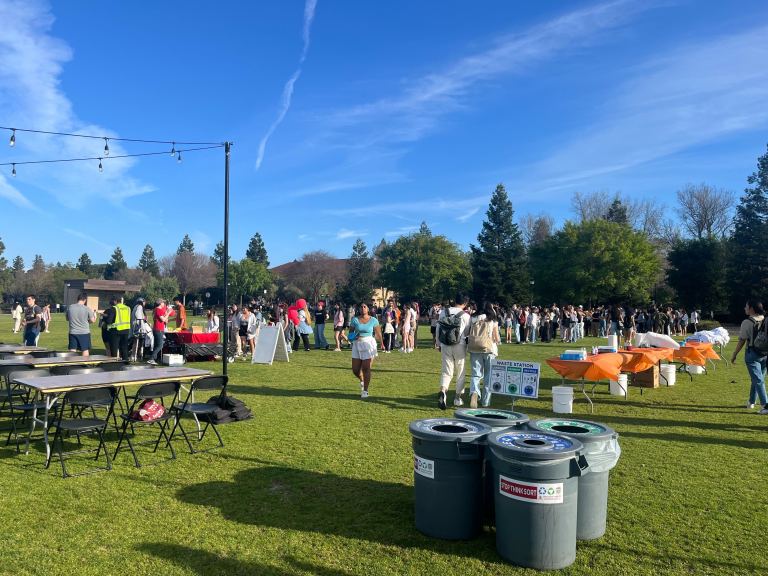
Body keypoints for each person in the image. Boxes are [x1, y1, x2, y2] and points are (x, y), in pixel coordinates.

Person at [730, 299, 768, 414]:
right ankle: (751, 401)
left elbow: (742, 340)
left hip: (752, 354)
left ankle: (765, 405)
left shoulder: (747, 322)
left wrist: (734, 354)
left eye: (746, 306)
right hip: (765, 353)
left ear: (751, 308)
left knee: (758, 380)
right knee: (757, 379)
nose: (744, 308)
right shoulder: (765, 319)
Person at [436, 293, 472, 409]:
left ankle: (443, 390)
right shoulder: (466, 316)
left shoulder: (443, 312)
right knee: (460, 371)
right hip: (459, 345)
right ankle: (457, 398)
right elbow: (467, 333)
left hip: (445, 344)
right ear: (465, 303)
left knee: (446, 371)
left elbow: (438, 328)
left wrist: (438, 343)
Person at [468, 302, 500, 408]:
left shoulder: (473, 318)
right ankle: (486, 401)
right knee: (488, 376)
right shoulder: (492, 320)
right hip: (489, 349)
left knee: (475, 374)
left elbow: (467, 332)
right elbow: (496, 337)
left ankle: (474, 392)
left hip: (474, 348)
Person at [349, 302, 383, 399]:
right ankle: (362, 380)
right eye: (361, 307)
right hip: (357, 344)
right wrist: (353, 336)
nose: (363, 308)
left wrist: (382, 344)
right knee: (355, 370)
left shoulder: (373, 320)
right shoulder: (355, 320)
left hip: (368, 344)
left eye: (365, 307)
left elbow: (378, 333)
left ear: (368, 309)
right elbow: (350, 333)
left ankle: (365, 391)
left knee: (366, 368)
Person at [66, 292, 96, 356]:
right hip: (84, 332)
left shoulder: (70, 307)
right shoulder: (87, 308)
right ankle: (85, 364)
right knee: (85, 349)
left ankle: (71, 364)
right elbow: (92, 321)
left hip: (73, 332)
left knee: (72, 349)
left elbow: (67, 319)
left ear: (78, 299)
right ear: (85, 300)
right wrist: (95, 315)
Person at [149, 298, 172, 365]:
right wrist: (168, 313)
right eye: (163, 303)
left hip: (159, 329)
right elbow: (163, 320)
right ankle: (151, 358)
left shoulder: (158, 310)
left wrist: (167, 312)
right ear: (160, 303)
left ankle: (154, 359)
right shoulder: (158, 309)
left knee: (157, 345)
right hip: (158, 329)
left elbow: (165, 319)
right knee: (160, 345)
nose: (164, 304)